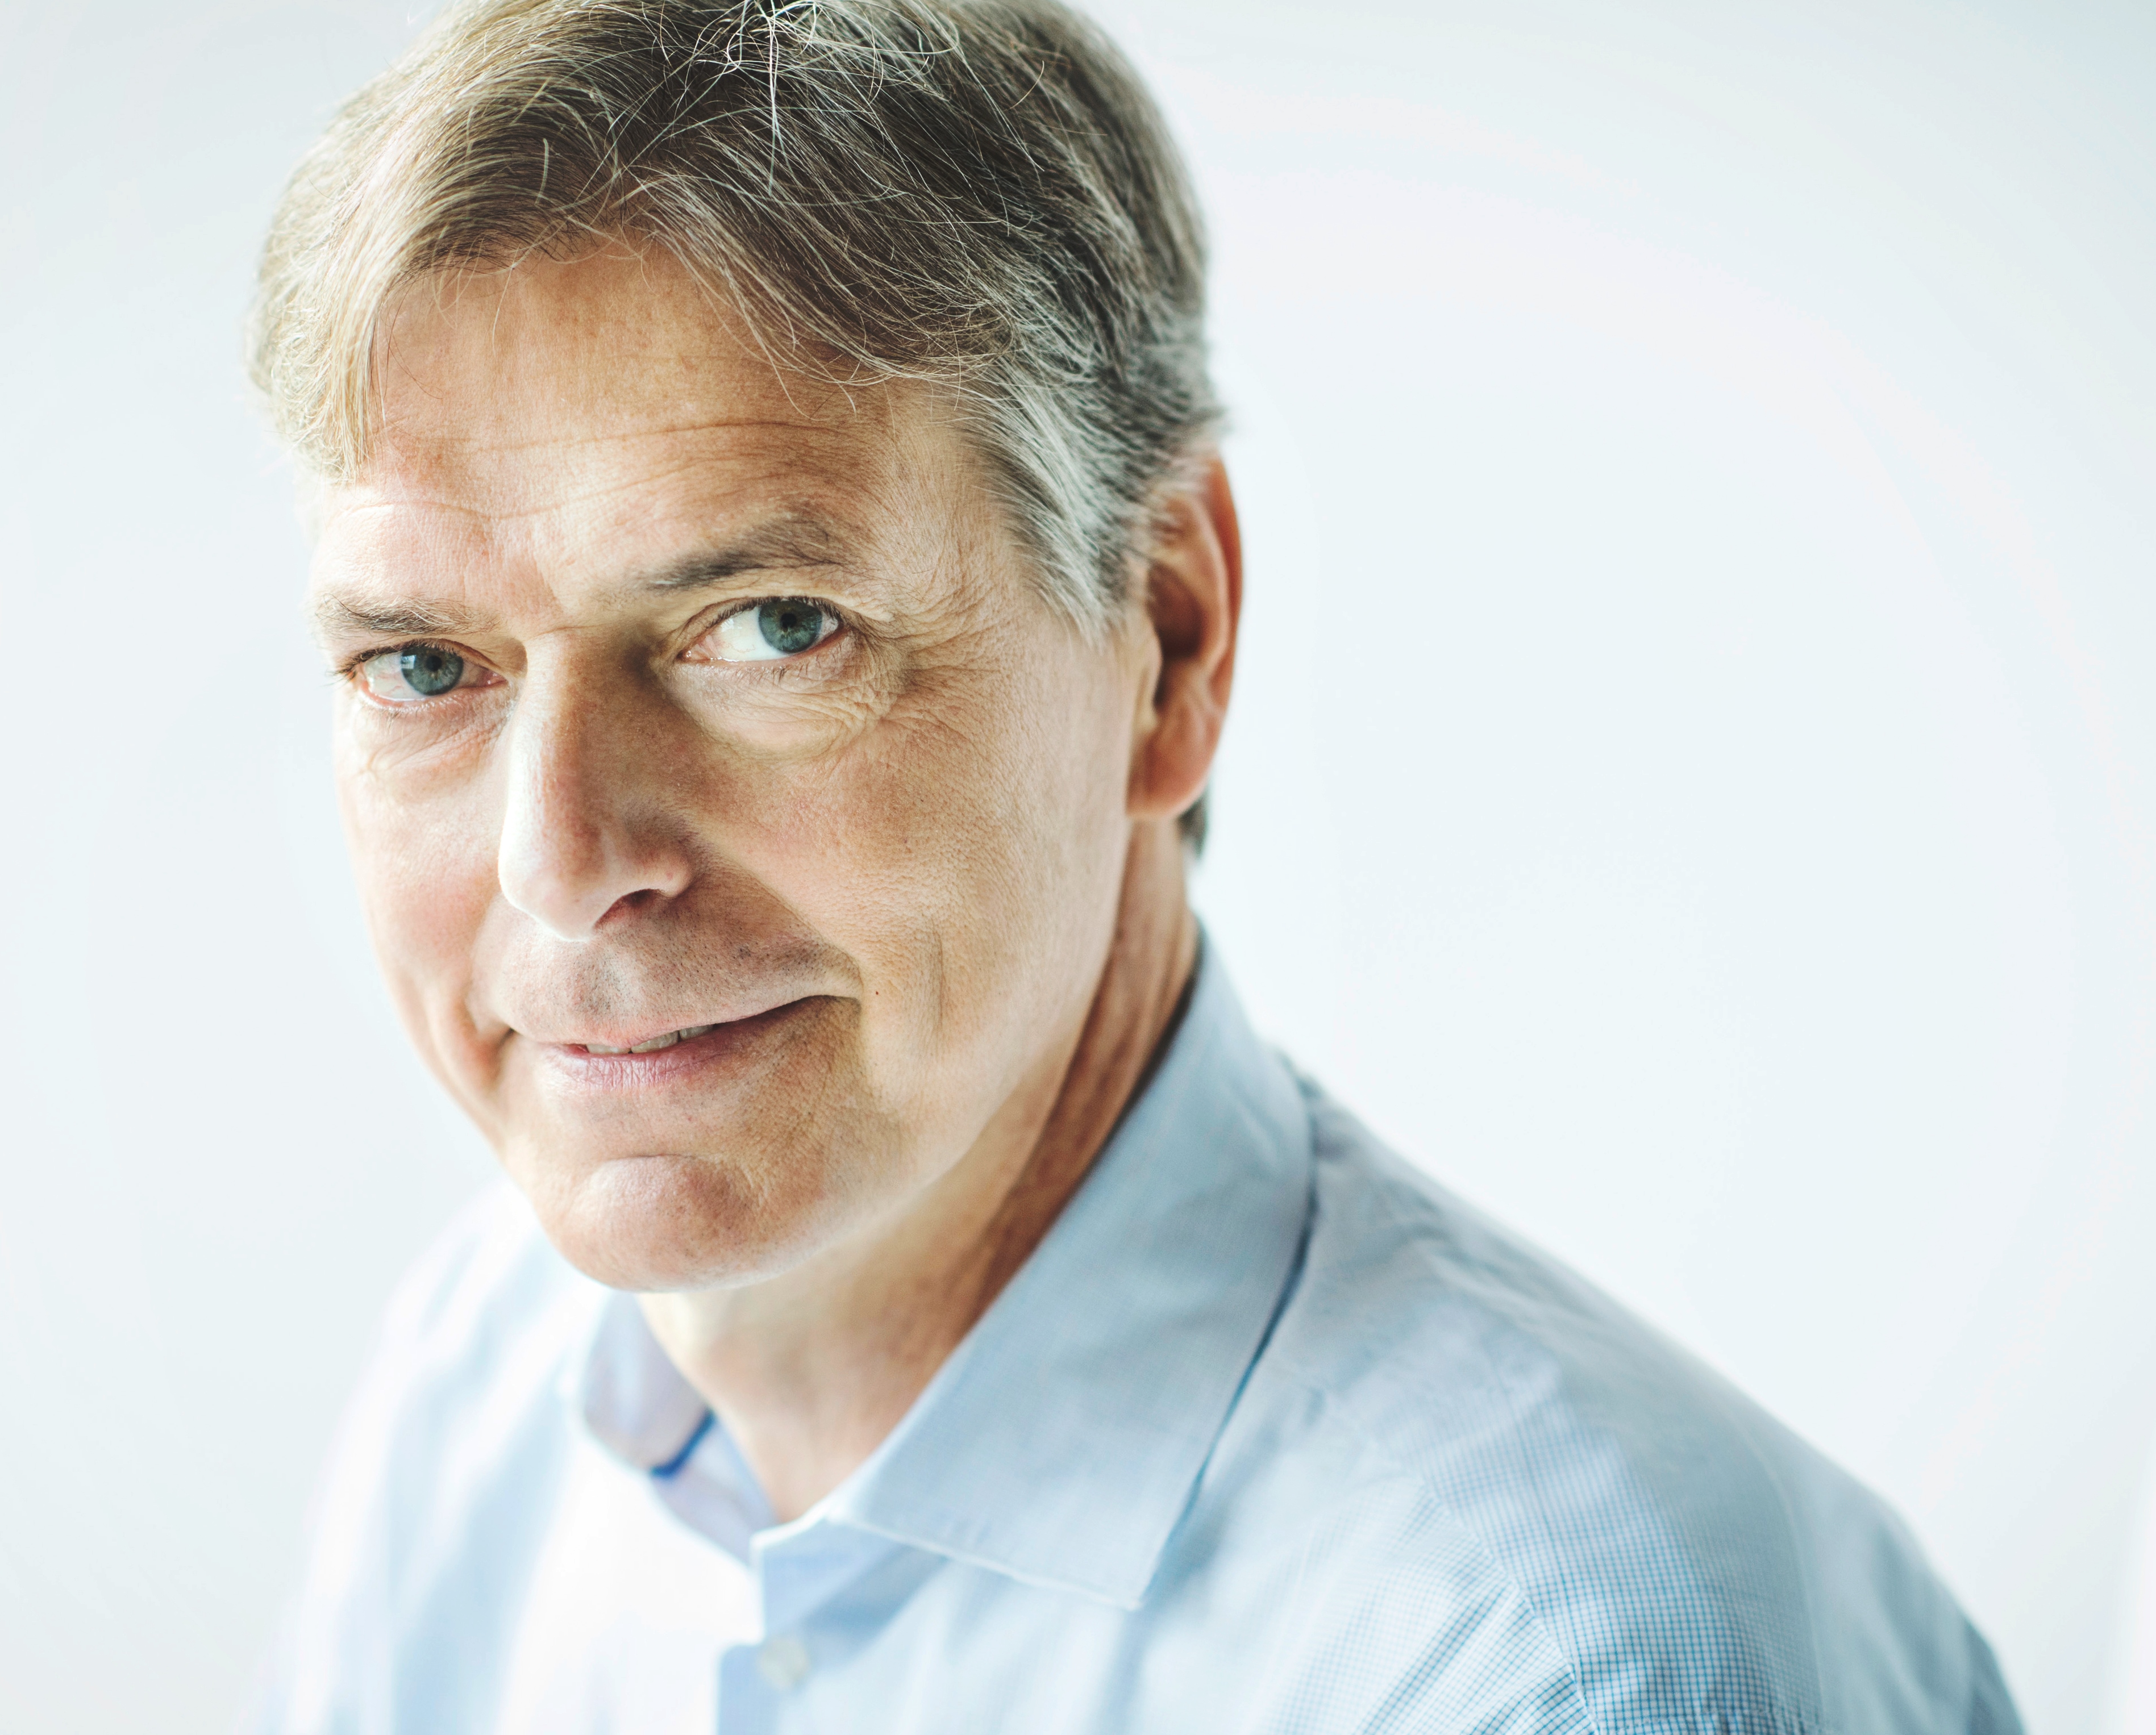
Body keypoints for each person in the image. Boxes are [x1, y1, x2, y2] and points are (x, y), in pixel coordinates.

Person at [244, 2, 2022, 1729]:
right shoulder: (473, 1393)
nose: (560, 865)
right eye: (424, 667)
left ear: (1169, 640)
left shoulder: (1563, 1676)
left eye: (774, 628)